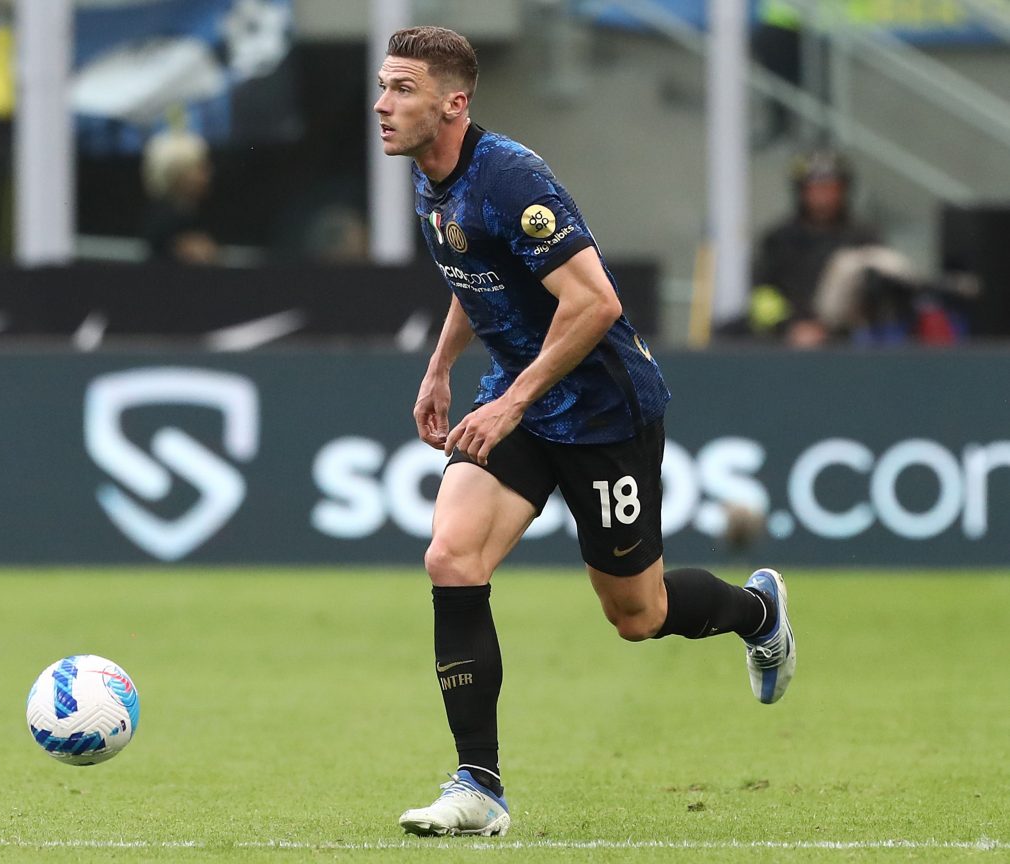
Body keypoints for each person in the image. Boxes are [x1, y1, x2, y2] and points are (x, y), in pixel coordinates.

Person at [374, 26, 797, 838]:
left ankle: (757, 613)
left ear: (453, 104)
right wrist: (441, 366)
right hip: (521, 397)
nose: (382, 105)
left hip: (602, 410)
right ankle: (478, 786)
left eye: (401, 88)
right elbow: (478, 270)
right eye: (384, 86)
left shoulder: (511, 178)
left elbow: (596, 302)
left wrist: (512, 403)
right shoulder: (432, 178)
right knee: (451, 556)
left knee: (638, 614)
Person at [748, 148, 882, 347]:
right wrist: (789, 327)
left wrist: (835, 328)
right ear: (801, 191)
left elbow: (878, 295)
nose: (823, 196)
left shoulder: (863, 238)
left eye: (830, 188)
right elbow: (763, 296)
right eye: (815, 188)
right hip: (787, 344)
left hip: (850, 344)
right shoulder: (778, 239)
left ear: (844, 190)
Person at [140, 128, 220, 265]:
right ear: (176, 174)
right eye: (199, 167)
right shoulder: (164, 221)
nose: (208, 175)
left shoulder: (194, 213)